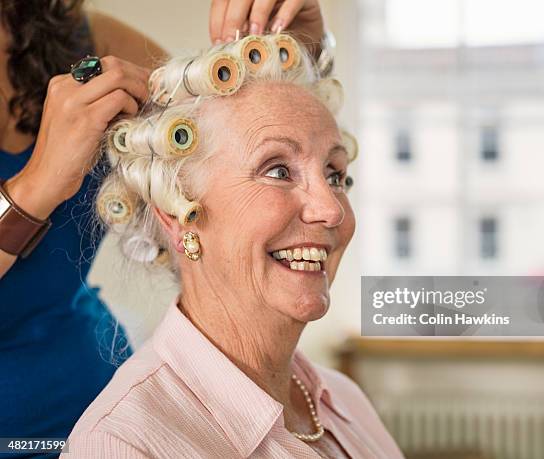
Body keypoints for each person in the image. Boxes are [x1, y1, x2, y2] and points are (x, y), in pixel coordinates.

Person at [0, 0, 325, 453]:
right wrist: (36, 185)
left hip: (104, 395)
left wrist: (293, 49)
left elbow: (207, 141)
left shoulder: (79, 37)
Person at [61, 32, 404, 459]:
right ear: (175, 212)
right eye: (278, 170)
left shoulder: (343, 400)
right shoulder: (123, 444)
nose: (330, 211)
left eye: (335, 174)